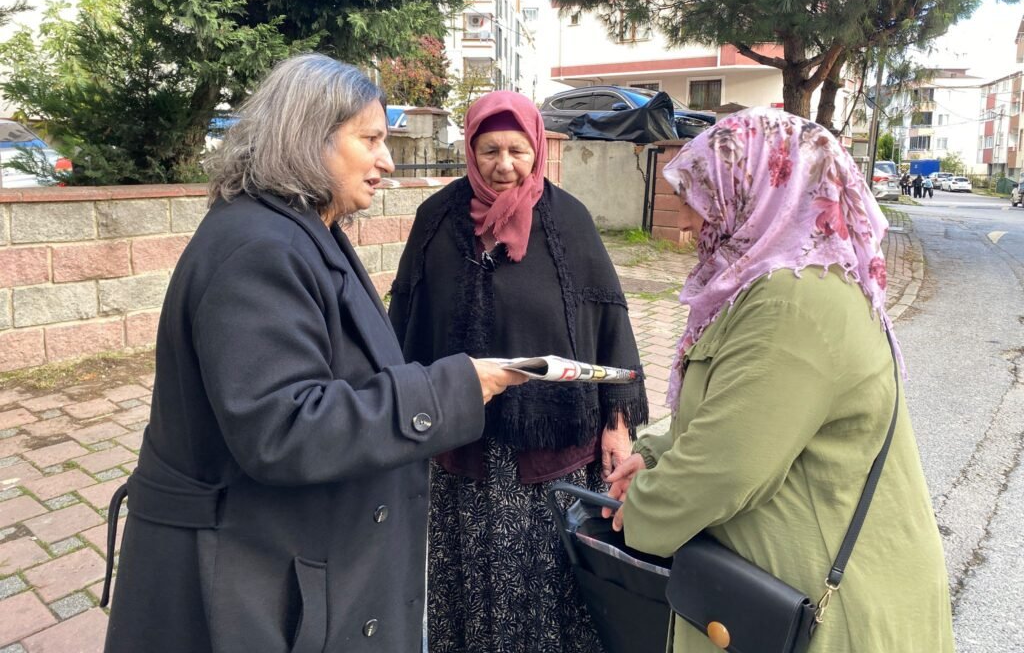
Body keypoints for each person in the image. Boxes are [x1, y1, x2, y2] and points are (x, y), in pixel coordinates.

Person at [100, 54, 526, 653]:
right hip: (241, 583)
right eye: (370, 140)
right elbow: (284, 427)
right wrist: (453, 390)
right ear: (308, 137)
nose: (387, 160)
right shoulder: (260, 248)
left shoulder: (303, 230)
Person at [605, 108, 954, 653]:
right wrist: (654, 454)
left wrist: (643, 510)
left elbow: (728, 466)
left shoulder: (792, 302)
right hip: (782, 596)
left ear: (765, 191)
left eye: (703, 196)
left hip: (824, 615)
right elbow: (739, 412)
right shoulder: (775, 285)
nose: (690, 220)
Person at [389, 90, 649, 653]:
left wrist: (617, 424)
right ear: (470, 150)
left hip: (552, 452)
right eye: (489, 151)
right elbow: (407, 317)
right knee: (471, 586)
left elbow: (609, 322)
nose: (504, 165)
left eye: (517, 151)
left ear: (536, 149)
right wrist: (403, 413)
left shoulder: (569, 221)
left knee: (551, 590)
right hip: (465, 451)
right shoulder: (436, 220)